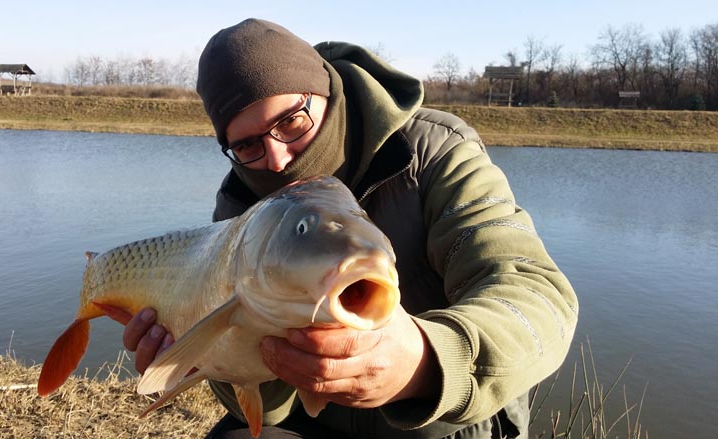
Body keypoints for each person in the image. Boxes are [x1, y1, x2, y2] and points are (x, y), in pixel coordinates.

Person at [122, 18, 578, 439]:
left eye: (290, 122)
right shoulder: (241, 203)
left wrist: (425, 362)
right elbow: (263, 408)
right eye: (247, 145)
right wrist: (208, 359)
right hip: (316, 423)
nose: (277, 159)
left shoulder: (435, 151)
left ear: (324, 94)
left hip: (446, 420)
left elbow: (535, 294)